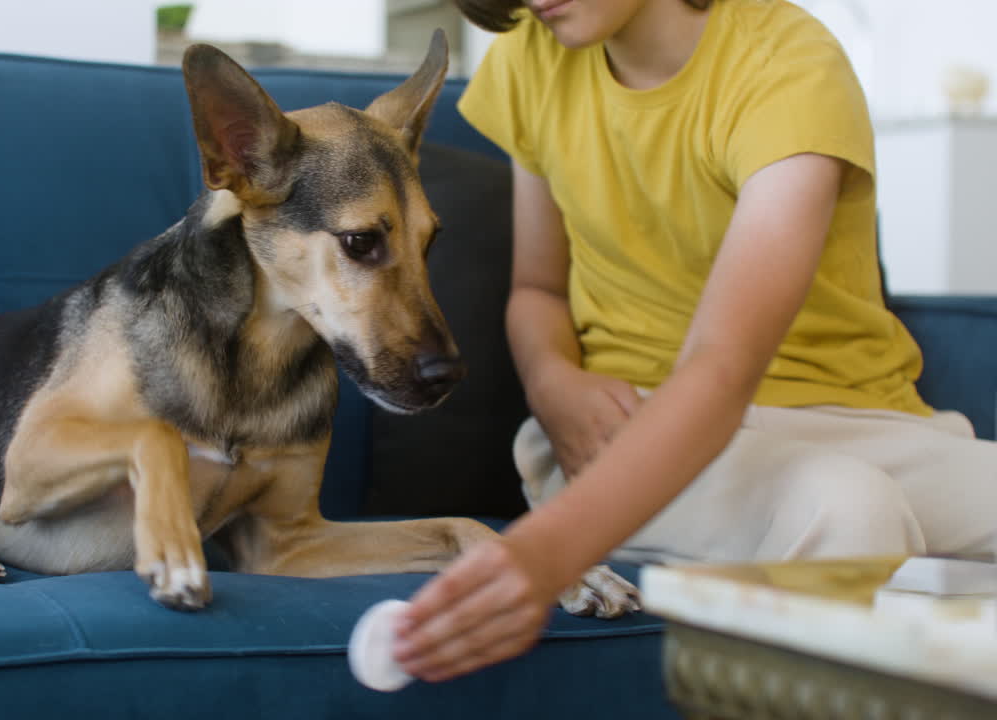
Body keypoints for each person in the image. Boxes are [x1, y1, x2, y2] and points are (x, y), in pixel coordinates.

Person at [392, 0, 997, 683]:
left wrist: (542, 553)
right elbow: (539, 288)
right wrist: (551, 382)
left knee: (861, 495)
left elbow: (723, 366)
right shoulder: (531, 59)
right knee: (850, 508)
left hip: (860, 423)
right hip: (630, 431)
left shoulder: (788, 64)